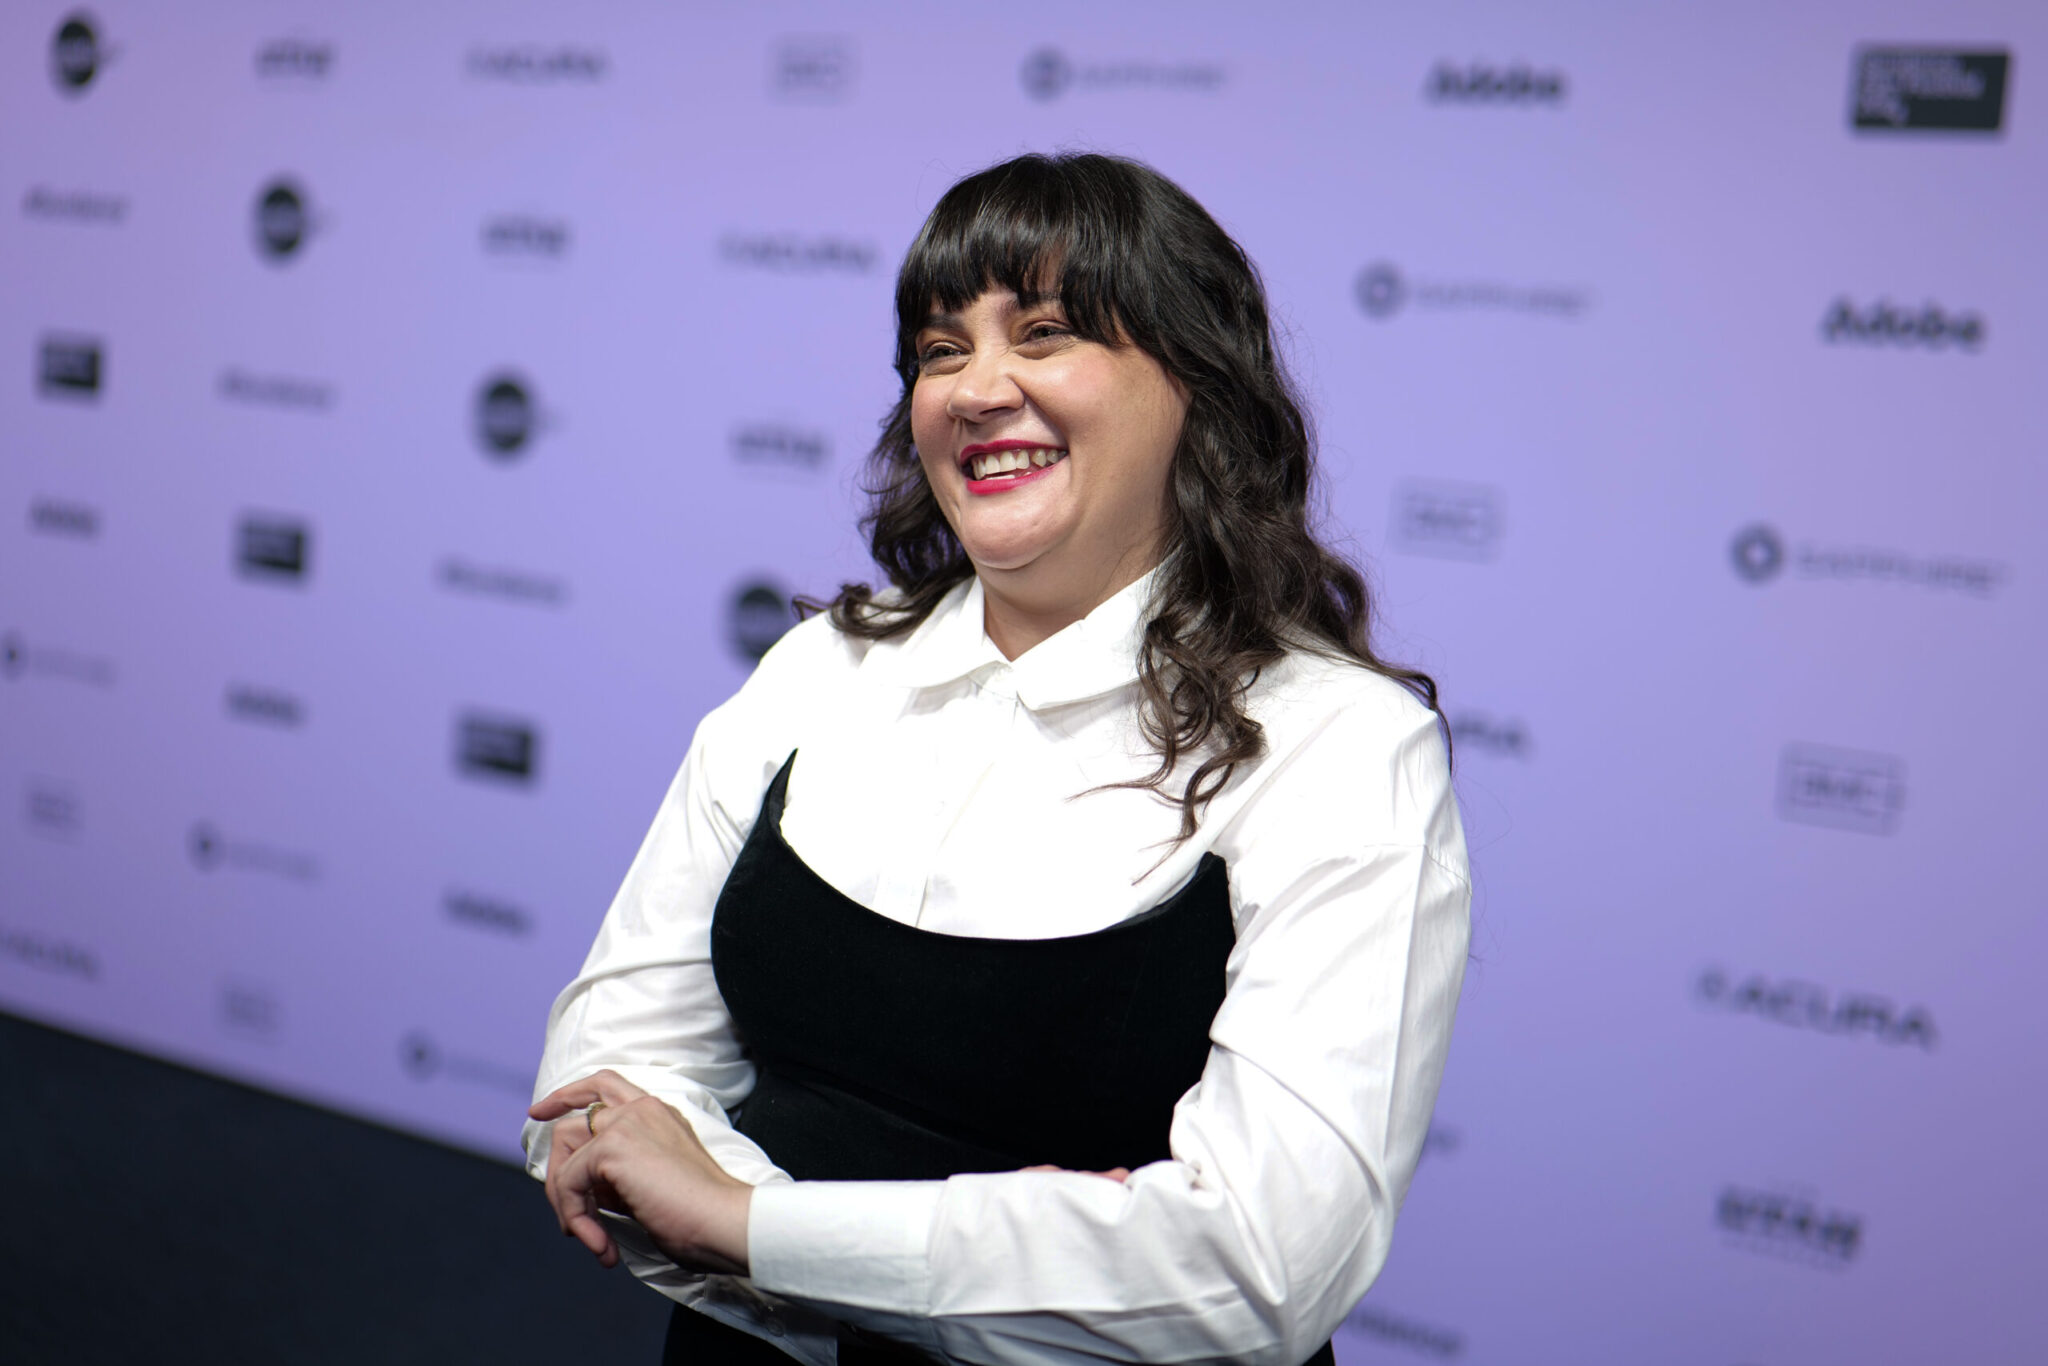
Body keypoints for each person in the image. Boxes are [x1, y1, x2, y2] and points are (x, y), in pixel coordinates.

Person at [524, 152, 1470, 1366]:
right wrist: (779, 1249)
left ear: (1196, 387)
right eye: (937, 349)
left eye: (1046, 331)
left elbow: (1258, 1266)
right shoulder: (818, 670)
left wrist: (748, 1224)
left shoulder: (1339, 745)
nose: (975, 389)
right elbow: (600, 1098)